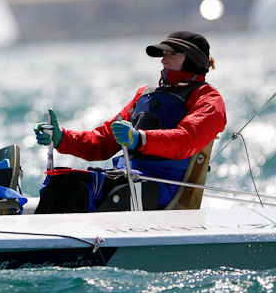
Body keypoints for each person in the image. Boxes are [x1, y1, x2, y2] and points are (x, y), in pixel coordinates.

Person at [33, 31, 226, 208]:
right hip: (127, 179)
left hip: (162, 187)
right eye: (163, 55)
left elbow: (187, 139)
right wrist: (62, 139)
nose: (163, 61)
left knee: (81, 192)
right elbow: (104, 140)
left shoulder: (208, 99)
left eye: (172, 55)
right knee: (60, 182)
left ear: (193, 60)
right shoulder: (145, 94)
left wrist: (139, 138)